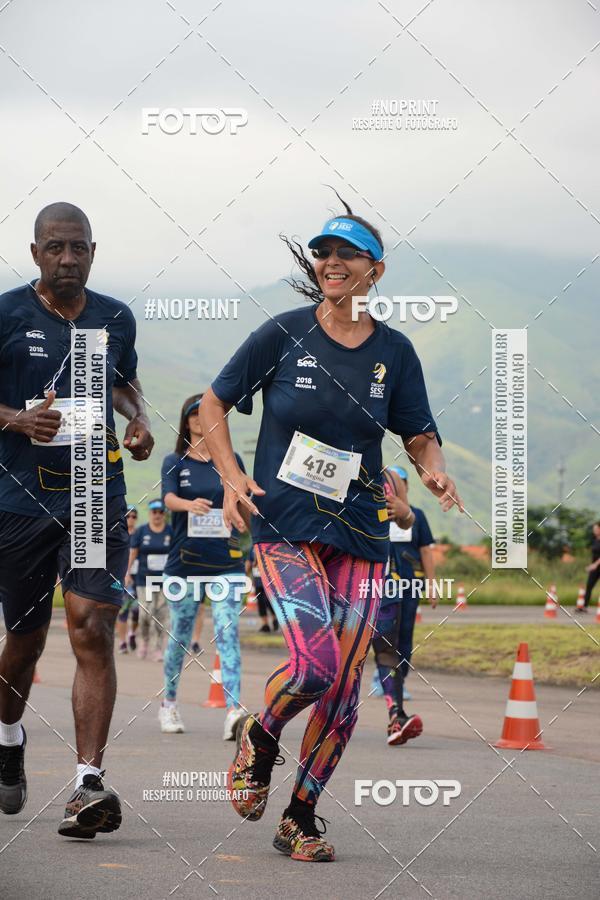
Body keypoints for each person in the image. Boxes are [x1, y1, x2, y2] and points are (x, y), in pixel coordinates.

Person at [199, 197, 462, 862]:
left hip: (363, 533)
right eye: (323, 252)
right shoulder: (282, 335)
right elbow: (213, 403)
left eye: (346, 253)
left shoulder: (395, 352)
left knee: (345, 692)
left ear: (376, 269)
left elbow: (419, 434)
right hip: (285, 523)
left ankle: (301, 816)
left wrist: (431, 470)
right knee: (314, 667)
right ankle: (261, 735)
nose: (332, 262)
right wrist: (231, 476)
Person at [0, 203, 153, 838]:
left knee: (90, 627)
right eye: (56, 248)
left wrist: (137, 416)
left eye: (79, 249)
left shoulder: (115, 317)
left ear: (94, 250)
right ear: (35, 252)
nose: (68, 259)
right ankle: (9, 732)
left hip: (95, 489)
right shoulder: (7, 314)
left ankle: (88, 784)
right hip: (19, 500)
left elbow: (124, 382)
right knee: (27, 640)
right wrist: (15, 419)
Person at [159, 393, 246, 740]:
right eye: (192, 414)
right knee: (179, 637)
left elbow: (241, 495)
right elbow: (166, 498)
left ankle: (234, 711)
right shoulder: (174, 462)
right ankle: (168, 704)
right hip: (184, 565)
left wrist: (236, 506)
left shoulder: (231, 459)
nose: (199, 419)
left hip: (226, 563)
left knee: (228, 633)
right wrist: (186, 504)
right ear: (185, 421)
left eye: (204, 413)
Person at [372, 466, 436, 746]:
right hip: (350, 581)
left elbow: (420, 542)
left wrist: (403, 511)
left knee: (394, 647)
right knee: (339, 656)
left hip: (395, 584)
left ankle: (396, 714)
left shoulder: (395, 486)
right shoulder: (339, 468)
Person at [126, 498, 173, 659]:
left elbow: (176, 555)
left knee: (161, 615)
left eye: (161, 512)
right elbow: (133, 553)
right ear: (150, 513)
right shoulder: (141, 532)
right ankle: (144, 641)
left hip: (164, 581)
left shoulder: (170, 531)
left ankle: (158, 647)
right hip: (144, 580)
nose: (157, 515)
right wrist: (126, 573)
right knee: (145, 613)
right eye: (154, 512)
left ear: (164, 514)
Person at [117, 506, 140, 652]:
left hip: (139, 577)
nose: (130, 519)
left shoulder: (140, 534)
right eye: (128, 516)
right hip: (122, 577)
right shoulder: (118, 534)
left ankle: (132, 634)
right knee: (123, 610)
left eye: (133, 516)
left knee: (137, 611)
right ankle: (122, 642)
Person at [246, 546, 278, 633]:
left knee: (268, 600)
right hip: (257, 580)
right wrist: (245, 575)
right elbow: (249, 562)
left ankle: (275, 618)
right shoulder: (252, 548)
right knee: (260, 602)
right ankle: (265, 624)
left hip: (269, 579)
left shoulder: (267, 545)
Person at [578, 521, 600, 612]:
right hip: (595, 568)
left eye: (595, 529)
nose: (594, 531)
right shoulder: (595, 540)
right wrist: (592, 565)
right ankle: (584, 607)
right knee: (589, 585)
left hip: (597, 566)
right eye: (593, 529)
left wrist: (595, 565)